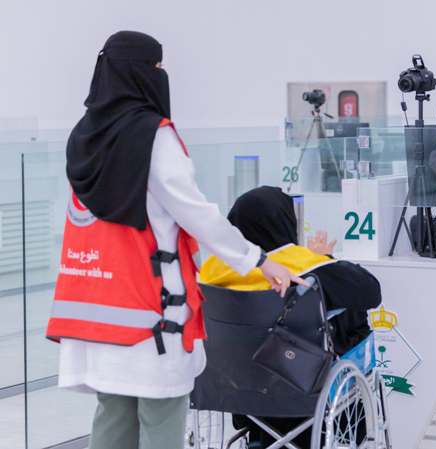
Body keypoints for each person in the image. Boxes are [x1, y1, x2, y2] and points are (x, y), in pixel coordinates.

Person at [45, 31, 303, 449]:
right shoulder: (154, 136)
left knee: (113, 417)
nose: (161, 76)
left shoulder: (84, 136)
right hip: (151, 317)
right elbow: (199, 215)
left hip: (97, 312)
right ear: (140, 73)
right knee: (161, 418)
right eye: (156, 67)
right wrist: (258, 260)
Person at [198, 185, 382, 448]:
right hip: (305, 392)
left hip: (241, 397)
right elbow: (370, 291)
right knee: (351, 314)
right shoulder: (304, 267)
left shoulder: (210, 274)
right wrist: (322, 257)